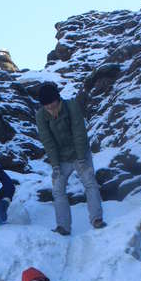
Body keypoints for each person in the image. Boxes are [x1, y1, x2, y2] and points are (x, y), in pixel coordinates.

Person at [36, 82, 105, 236]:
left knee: (90, 183)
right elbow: (48, 141)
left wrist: (81, 158)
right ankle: (63, 227)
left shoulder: (71, 106)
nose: (50, 108)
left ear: (57, 99)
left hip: (79, 152)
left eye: (52, 104)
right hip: (61, 157)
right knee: (58, 190)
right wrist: (55, 165)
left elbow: (79, 133)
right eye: (46, 106)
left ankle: (96, 219)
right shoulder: (41, 116)